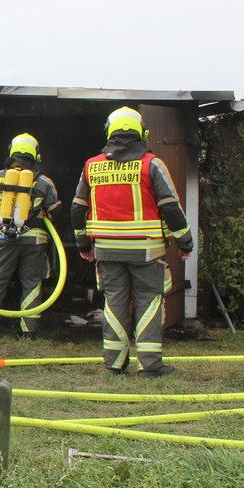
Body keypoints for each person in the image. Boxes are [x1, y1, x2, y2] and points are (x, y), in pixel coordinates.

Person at [72, 106, 193, 377]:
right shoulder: (152, 164)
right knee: (149, 302)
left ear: (109, 132)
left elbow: (77, 209)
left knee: (114, 303)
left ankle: (114, 363)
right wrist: (185, 243)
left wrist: (83, 245)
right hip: (146, 252)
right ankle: (150, 365)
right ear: (142, 133)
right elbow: (171, 208)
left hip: (107, 251)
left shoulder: (92, 166)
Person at [0, 133, 62, 341]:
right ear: (35, 155)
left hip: (5, 237)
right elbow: (56, 211)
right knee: (32, 283)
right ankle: (29, 331)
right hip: (35, 239)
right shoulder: (44, 182)